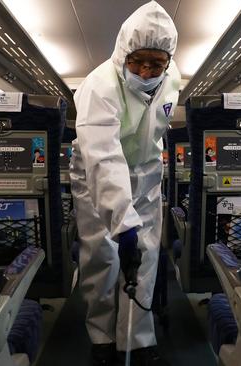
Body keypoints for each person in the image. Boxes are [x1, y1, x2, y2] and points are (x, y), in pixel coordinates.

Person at [69, 2, 180, 365]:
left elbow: (156, 134)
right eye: (138, 61)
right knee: (102, 257)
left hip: (146, 176)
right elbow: (103, 156)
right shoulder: (98, 85)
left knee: (145, 259)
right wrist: (121, 218)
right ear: (123, 54)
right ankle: (101, 338)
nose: (146, 71)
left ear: (167, 61)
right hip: (95, 176)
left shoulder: (172, 78)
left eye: (156, 63)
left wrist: (139, 208)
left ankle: (135, 340)